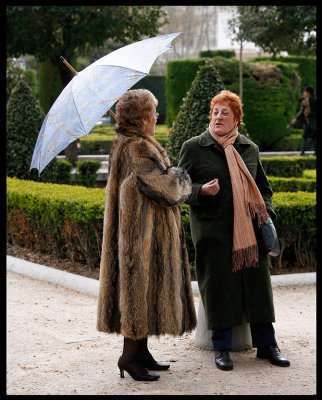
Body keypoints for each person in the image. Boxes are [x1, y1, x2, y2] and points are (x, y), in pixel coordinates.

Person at [178, 90, 290, 371]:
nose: (218, 117)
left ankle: (267, 345)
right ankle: (222, 348)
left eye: (224, 113)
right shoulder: (194, 147)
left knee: (258, 287)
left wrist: (265, 212)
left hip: (250, 232)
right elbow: (177, 187)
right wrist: (200, 190)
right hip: (213, 233)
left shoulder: (249, 149)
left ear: (237, 120)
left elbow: (263, 188)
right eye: (215, 112)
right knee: (218, 288)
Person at [96, 89, 196, 381]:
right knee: (137, 292)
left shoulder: (126, 143)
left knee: (141, 290)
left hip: (138, 231)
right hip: (141, 234)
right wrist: (180, 176)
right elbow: (167, 189)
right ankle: (129, 357)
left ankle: (141, 353)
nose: (156, 117)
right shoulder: (137, 147)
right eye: (152, 112)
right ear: (140, 119)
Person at [291, 86, 316, 155]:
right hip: (307, 123)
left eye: (305, 92)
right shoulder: (305, 101)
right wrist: (296, 118)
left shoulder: (314, 101)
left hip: (313, 123)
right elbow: (301, 111)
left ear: (308, 93)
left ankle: (303, 153)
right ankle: (303, 152)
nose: (304, 93)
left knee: (310, 138)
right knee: (308, 137)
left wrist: (309, 113)